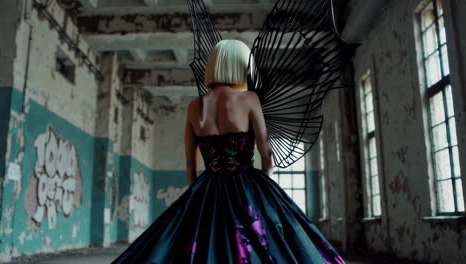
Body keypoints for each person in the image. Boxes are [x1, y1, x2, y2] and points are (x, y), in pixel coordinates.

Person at [112, 39, 345, 264]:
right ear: (240, 66)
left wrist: (195, 200)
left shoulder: (195, 106)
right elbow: (266, 156)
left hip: (207, 186)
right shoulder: (250, 99)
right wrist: (266, 194)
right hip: (247, 184)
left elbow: (190, 165)